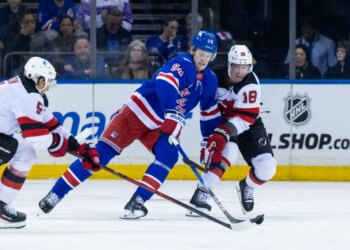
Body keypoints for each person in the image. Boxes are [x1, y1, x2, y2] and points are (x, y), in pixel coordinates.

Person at [37, 31, 221, 220]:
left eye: (208, 55)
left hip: (160, 124)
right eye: (201, 53)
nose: (203, 59)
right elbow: (166, 83)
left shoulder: (210, 80)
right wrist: (172, 114)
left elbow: (209, 112)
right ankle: (55, 194)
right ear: (193, 50)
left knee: (169, 155)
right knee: (98, 156)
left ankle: (138, 201)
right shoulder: (182, 63)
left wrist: (209, 139)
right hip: (135, 114)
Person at [0, 56, 100, 229]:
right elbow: (36, 136)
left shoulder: (26, 89)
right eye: (47, 81)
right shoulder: (27, 96)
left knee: (25, 153)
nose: (49, 86)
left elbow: (52, 125)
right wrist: (57, 143)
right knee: (14, 148)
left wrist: (79, 148)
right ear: (38, 79)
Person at [186, 45, 277, 215]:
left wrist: (224, 133)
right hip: (221, 122)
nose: (240, 71)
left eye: (244, 67)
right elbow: (200, 103)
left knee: (267, 167)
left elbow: (245, 118)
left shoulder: (251, 84)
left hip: (249, 124)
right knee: (227, 154)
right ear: (229, 64)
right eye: (236, 66)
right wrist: (208, 137)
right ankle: (202, 192)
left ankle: (247, 186)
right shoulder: (213, 77)